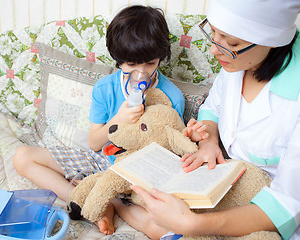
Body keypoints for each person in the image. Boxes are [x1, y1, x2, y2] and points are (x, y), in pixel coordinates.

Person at [110, 0, 300, 240]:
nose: (214, 50)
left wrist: (192, 224)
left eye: (231, 43)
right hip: (225, 186)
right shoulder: (238, 61)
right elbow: (212, 108)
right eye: (213, 33)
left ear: (271, 42)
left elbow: (286, 206)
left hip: (267, 213)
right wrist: (209, 141)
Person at [13, 5, 205, 235]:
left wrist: (190, 138)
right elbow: (94, 144)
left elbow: (169, 148)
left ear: (160, 59)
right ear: (118, 59)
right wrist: (117, 120)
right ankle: (85, 198)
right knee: (22, 157)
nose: (141, 72)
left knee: (161, 231)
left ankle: (112, 204)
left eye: (150, 63)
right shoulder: (105, 88)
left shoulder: (172, 96)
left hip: (138, 176)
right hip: (100, 161)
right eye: (131, 64)